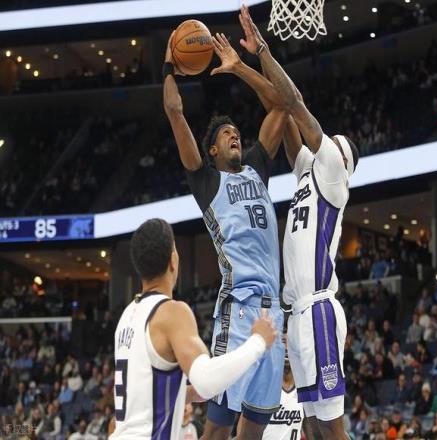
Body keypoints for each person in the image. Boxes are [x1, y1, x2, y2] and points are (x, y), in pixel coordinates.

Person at [237, 5, 360, 438]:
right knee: (310, 423)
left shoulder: (333, 175)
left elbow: (295, 103)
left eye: (331, 142)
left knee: (332, 427)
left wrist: (263, 51)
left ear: (341, 159)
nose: (322, 143)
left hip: (319, 308)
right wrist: (245, 67)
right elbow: (281, 110)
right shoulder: (308, 172)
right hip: (298, 314)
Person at [163, 29, 286, 440]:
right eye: (225, 133)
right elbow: (175, 113)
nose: (234, 134)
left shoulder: (256, 167)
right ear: (212, 150)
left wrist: (240, 67)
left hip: (274, 313)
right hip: (239, 308)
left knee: (253, 433)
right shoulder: (207, 181)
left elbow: (282, 104)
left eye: (236, 131)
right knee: (217, 429)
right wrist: (169, 67)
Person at [109, 219, 277, 439]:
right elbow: (206, 381)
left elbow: (141, 395)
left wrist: (185, 393)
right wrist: (258, 341)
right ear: (173, 260)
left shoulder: (128, 315)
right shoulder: (171, 312)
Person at [262, 335, 305, 440]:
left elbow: (311, 430)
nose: (286, 348)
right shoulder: (262, 387)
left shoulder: (304, 388)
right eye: (283, 342)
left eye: (290, 343)